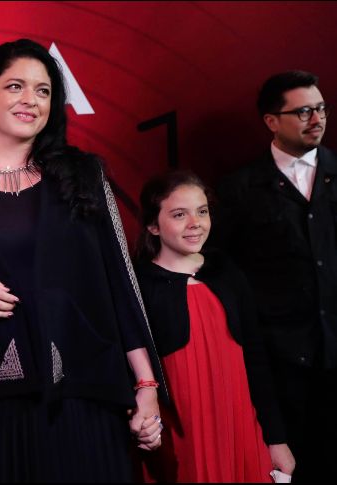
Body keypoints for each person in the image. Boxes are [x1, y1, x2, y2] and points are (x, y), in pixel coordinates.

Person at [0, 38, 165, 482]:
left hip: (84, 398)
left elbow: (120, 286)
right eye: (16, 86)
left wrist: (148, 387)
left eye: (43, 91)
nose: (31, 100)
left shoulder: (84, 175)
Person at [212, 70, 337, 483]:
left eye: (320, 108)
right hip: (282, 367)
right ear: (271, 121)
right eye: (302, 111)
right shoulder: (238, 190)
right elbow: (220, 269)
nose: (316, 118)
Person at [134, 170, 295, 482]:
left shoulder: (226, 271)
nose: (195, 223)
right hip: (181, 432)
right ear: (153, 225)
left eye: (202, 211)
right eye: (179, 214)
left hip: (239, 423)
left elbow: (257, 361)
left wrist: (276, 439)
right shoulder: (139, 284)